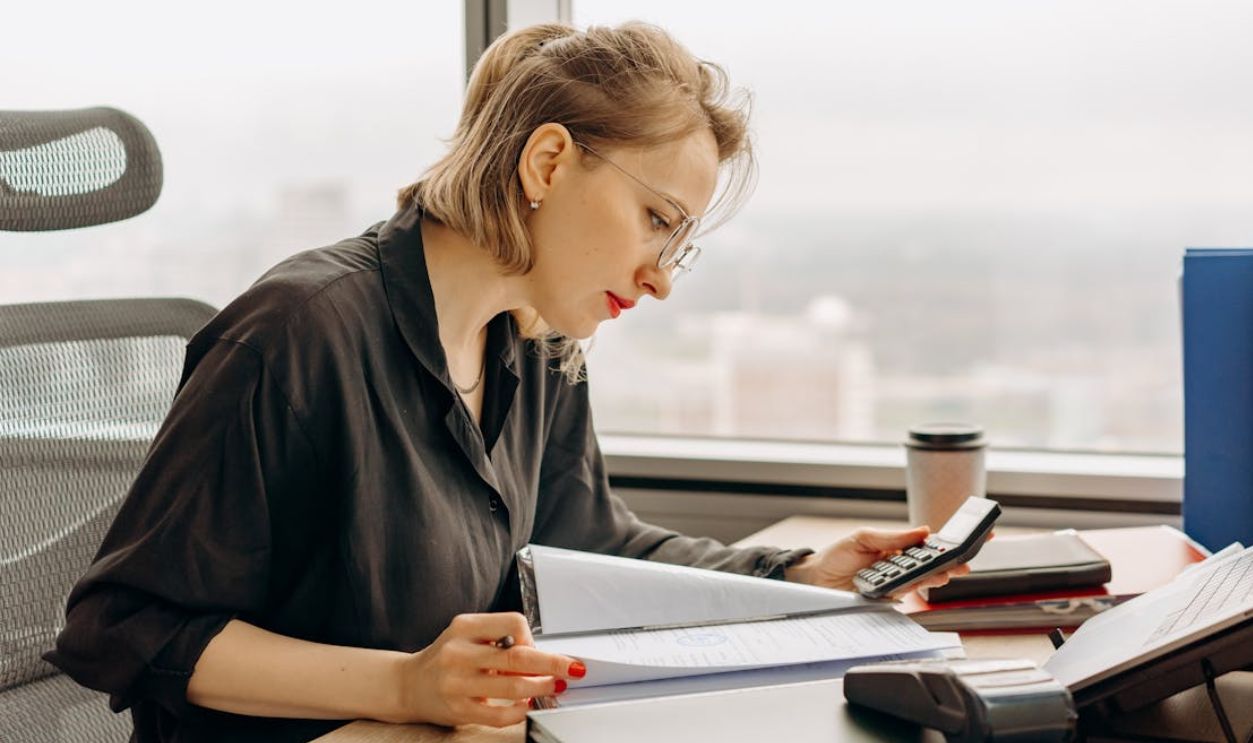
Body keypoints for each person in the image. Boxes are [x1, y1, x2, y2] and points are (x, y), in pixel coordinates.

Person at [46, 21, 969, 742]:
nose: (659, 278)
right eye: (655, 219)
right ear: (547, 162)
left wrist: (795, 573)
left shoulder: (535, 343)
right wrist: (405, 682)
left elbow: (588, 539)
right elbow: (120, 625)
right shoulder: (299, 333)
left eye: (677, 243)